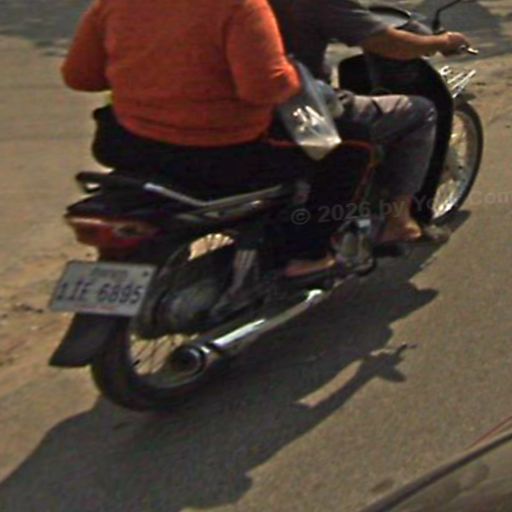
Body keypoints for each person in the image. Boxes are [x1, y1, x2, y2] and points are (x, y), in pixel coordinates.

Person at [61, 0, 367, 278]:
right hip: (220, 153)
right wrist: (293, 74)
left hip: (128, 145)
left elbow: (80, 76)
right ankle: (309, 256)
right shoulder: (241, 7)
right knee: (353, 145)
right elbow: (263, 89)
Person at [269, 0, 471, 244]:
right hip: (300, 110)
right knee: (421, 112)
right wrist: (443, 42)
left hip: (245, 112)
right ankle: (399, 221)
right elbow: (391, 44)